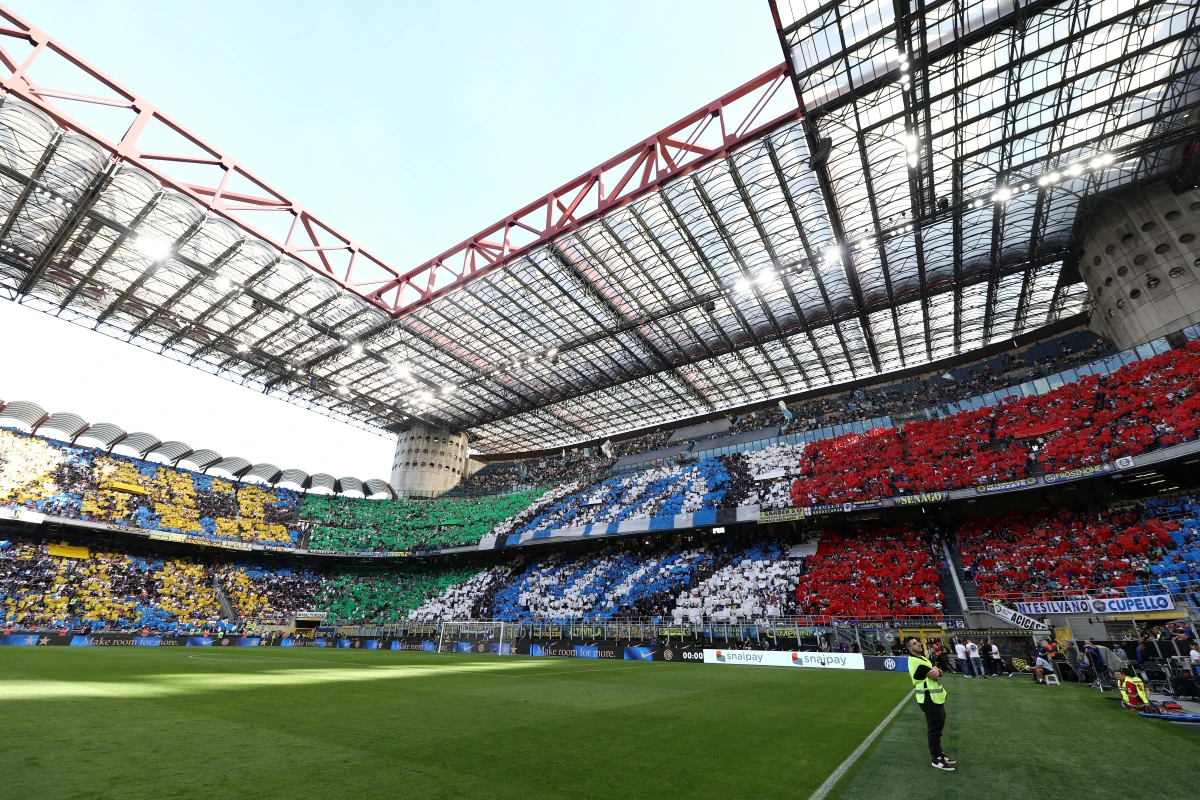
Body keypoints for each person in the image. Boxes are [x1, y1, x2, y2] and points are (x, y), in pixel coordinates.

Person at [905, 637, 955, 771]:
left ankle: (939, 753)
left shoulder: (923, 659)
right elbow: (937, 675)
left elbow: (940, 672)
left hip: (935, 697)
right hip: (928, 698)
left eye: (918, 642)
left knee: (938, 727)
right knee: (934, 729)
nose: (919, 644)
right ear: (910, 649)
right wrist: (938, 672)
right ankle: (936, 758)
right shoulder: (915, 661)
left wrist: (938, 671)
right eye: (915, 644)